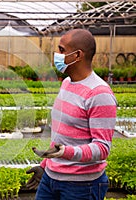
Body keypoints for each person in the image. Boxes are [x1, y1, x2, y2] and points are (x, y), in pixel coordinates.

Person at [26, 29, 117, 200]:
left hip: (82, 186)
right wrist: (45, 165)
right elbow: (61, 134)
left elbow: (102, 148)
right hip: (50, 179)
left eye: (61, 50)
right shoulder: (67, 83)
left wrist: (65, 152)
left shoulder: (99, 94)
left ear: (78, 55)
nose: (57, 55)